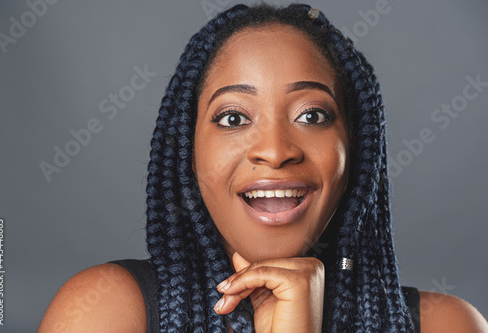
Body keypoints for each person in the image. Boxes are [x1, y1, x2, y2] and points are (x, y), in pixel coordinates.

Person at [38, 3, 488, 332]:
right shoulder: (104, 311)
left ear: (356, 148)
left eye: (312, 115)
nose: (275, 151)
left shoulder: (447, 325)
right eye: (233, 118)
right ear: (188, 152)